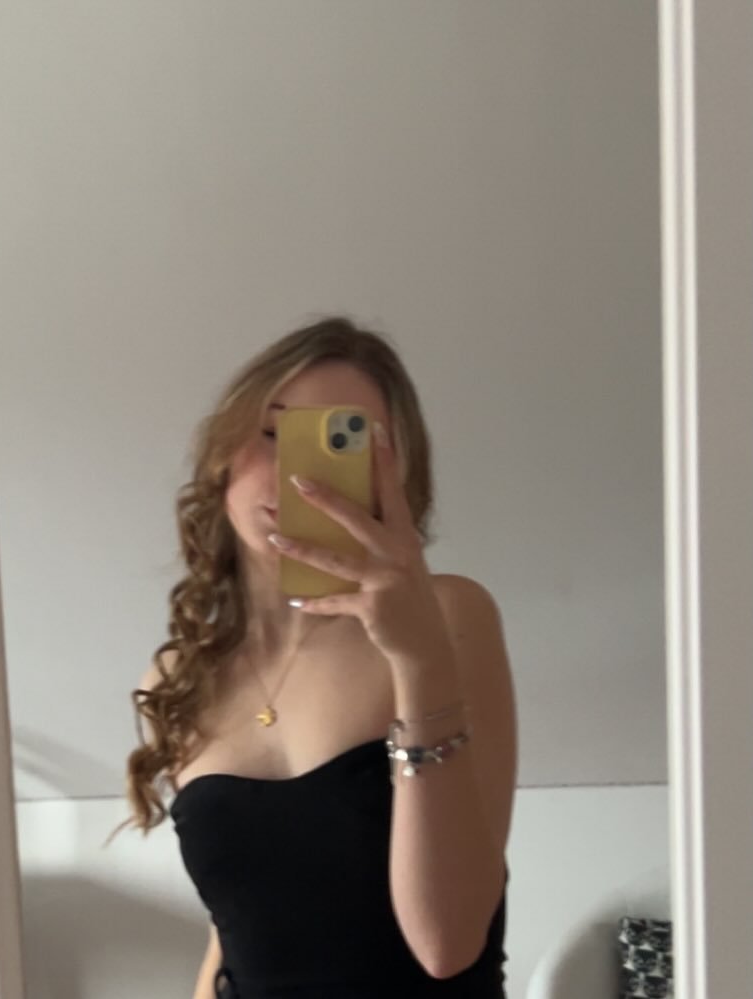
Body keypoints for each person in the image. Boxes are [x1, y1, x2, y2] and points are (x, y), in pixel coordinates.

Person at [120, 315, 518, 997]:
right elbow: (231, 934)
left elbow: (446, 943)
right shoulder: (180, 676)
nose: (299, 477)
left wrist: (418, 661)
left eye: (341, 443)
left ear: (395, 477)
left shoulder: (450, 617)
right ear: (221, 454)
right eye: (273, 434)